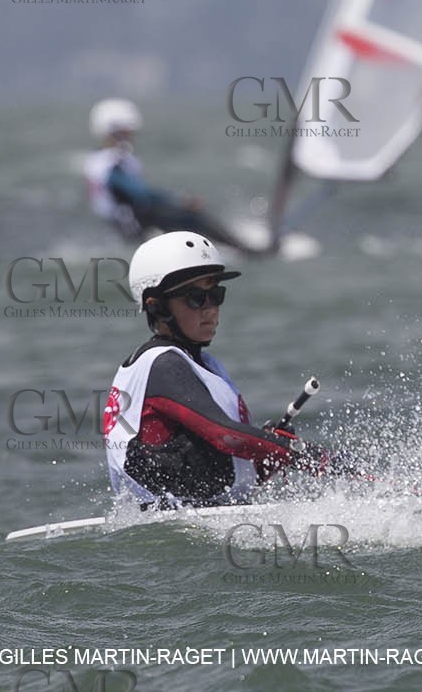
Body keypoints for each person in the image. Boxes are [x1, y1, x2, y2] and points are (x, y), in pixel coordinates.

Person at [103, 232, 339, 507]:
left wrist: (264, 456)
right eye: (196, 298)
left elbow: (222, 460)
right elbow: (225, 434)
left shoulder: (205, 365)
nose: (211, 309)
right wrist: (303, 454)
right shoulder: (163, 365)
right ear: (156, 306)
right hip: (169, 527)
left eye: (215, 295)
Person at [83, 97, 249, 252]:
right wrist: (181, 201)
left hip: (121, 224)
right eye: (126, 132)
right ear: (115, 131)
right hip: (135, 223)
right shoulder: (114, 163)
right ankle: (245, 250)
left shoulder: (96, 160)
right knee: (193, 217)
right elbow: (140, 195)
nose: (131, 136)